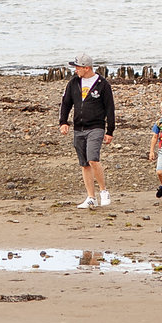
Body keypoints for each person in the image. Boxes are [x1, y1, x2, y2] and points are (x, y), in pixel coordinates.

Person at [58, 54, 114, 208]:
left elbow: (110, 108)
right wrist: (63, 122)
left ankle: (103, 191)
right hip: (79, 128)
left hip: (96, 127)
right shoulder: (74, 83)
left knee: (93, 159)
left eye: (77, 67)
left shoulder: (102, 84)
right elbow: (66, 103)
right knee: (84, 164)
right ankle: (91, 197)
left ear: (86, 68)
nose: (75, 70)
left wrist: (110, 131)